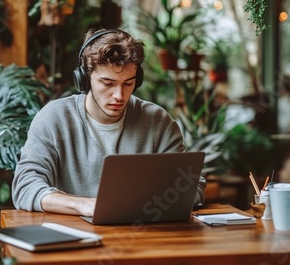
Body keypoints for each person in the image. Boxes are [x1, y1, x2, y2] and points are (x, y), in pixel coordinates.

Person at [12, 28, 206, 216]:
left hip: (142, 238)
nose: (119, 95)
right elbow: (26, 187)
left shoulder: (158, 121)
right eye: (108, 83)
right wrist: (85, 206)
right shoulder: (53, 118)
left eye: (128, 83)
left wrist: (140, 205)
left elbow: (191, 186)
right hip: (73, 239)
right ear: (85, 79)